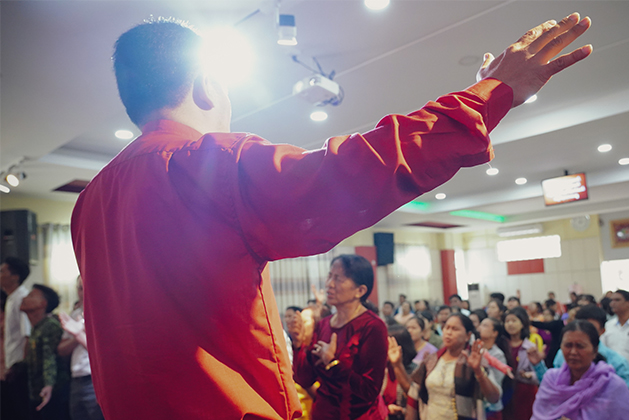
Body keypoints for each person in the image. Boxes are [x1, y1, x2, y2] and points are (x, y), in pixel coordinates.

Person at [70, 14, 592, 419]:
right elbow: (355, 170)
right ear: (208, 84)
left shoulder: (88, 204)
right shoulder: (203, 164)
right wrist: (490, 95)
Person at [292, 255, 388, 418]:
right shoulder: (323, 324)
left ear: (360, 291)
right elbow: (304, 379)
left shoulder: (372, 327)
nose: (329, 284)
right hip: (323, 414)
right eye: (330, 276)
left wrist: (333, 363)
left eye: (338, 279)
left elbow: (369, 391)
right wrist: (298, 343)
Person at [531, 320, 629, 420]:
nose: (573, 352)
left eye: (580, 346)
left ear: (595, 351)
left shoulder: (612, 385)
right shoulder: (551, 379)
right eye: (568, 345)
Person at [406, 314, 501, 420]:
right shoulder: (431, 360)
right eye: (447, 327)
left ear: (468, 336)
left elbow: (494, 398)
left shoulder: (475, 361)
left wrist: (478, 371)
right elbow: (414, 393)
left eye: (455, 329)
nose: (449, 332)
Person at [536, 304, 629, 396]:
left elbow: (624, 402)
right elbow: (552, 387)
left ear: (602, 331)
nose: (584, 333)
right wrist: (537, 365)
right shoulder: (562, 354)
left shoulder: (617, 362)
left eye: (591, 329)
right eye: (580, 327)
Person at [57, 277, 105, 420]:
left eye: (85, 287)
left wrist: (79, 334)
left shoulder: (104, 312)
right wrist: (77, 335)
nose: (82, 292)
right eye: (79, 288)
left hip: (94, 378)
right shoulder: (76, 313)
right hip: (76, 378)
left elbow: (102, 353)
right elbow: (61, 349)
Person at [21, 284, 70, 420]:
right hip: (39, 392)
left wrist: (49, 385)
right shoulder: (36, 327)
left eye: (31, 296)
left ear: (43, 303)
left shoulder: (50, 325)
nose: (25, 298)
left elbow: (50, 357)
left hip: (54, 392)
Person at [0, 256, 32, 420]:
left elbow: (26, 334)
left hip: (19, 367)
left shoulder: (21, 298)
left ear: (15, 276)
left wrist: (20, 365)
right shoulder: (11, 298)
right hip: (13, 366)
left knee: (20, 412)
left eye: (2, 271)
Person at [502, 307, 541, 420]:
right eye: (507, 321)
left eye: (514, 321)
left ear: (523, 323)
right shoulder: (502, 345)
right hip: (507, 391)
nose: (510, 324)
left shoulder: (529, 347)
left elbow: (539, 374)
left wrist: (529, 375)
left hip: (525, 392)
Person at [477, 317, 513, 420]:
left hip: (491, 407)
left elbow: (496, 384)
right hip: (477, 404)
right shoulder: (477, 348)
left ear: (494, 333)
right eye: (481, 324)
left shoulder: (497, 354)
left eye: (485, 325)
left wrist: (484, 367)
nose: (480, 327)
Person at [384, 325, 417, 420]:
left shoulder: (415, 370)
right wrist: (386, 409)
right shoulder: (382, 369)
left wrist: (397, 365)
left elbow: (416, 400)